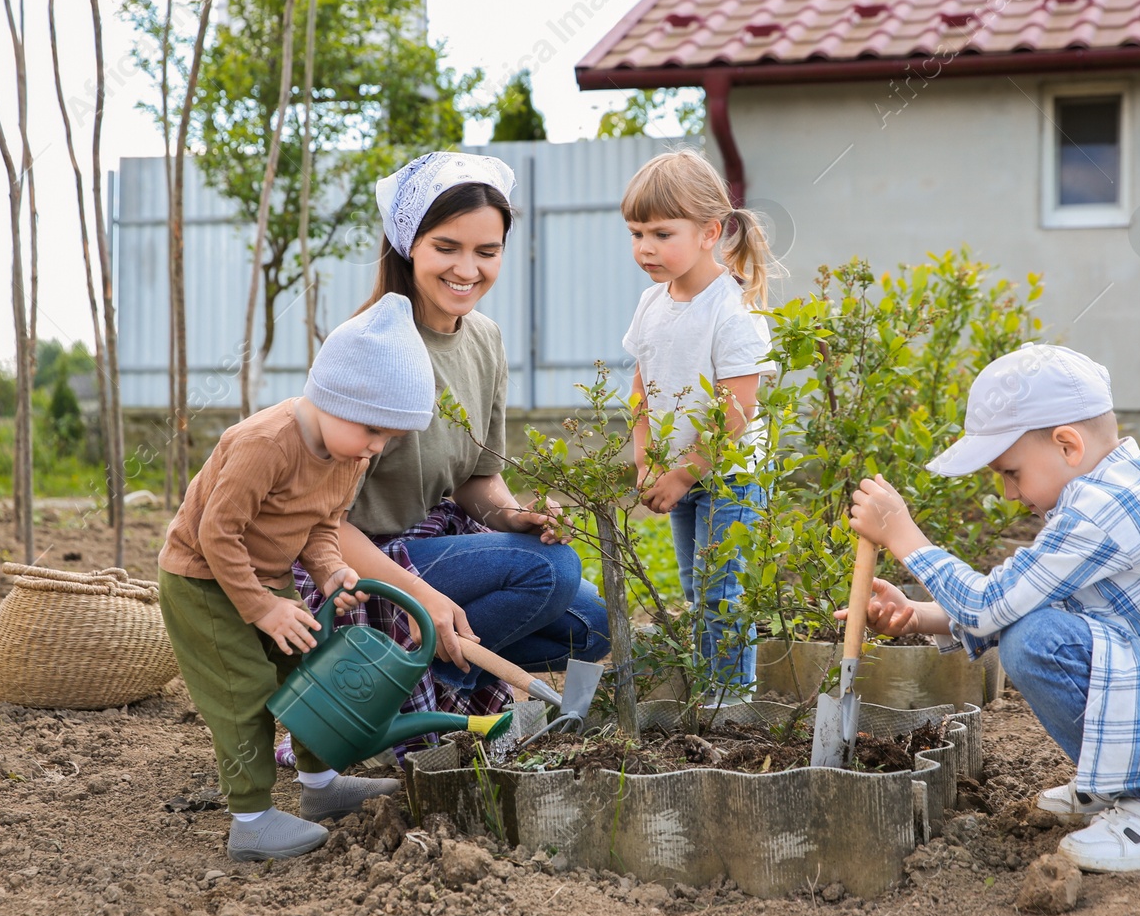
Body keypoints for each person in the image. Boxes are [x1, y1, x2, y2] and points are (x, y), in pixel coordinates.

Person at [844, 343, 1140, 873]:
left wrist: (903, 536)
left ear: (1068, 445)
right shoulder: (1116, 487)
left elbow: (991, 608)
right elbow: (1020, 599)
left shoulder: (1104, 508)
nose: (1008, 494)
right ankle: (1127, 780)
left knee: (1033, 642)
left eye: (1010, 472)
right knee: (1035, 626)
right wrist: (919, 615)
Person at [285, 151, 610, 729]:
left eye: (487, 252)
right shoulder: (371, 347)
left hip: (433, 539)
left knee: (592, 623)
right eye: (447, 248)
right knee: (551, 573)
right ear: (409, 245)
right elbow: (322, 523)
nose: (468, 269)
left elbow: (475, 477)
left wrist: (514, 517)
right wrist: (424, 599)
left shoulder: (485, 338)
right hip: (353, 563)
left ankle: (425, 674)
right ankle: (399, 685)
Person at [156, 293, 435, 862]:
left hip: (268, 579)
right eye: (373, 431)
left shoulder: (349, 456)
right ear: (336, 398)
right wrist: (262, 609)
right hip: (204, 582)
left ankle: (319, 787)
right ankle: (251, 821)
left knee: (308, 670)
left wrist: (331, 569)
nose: (377, 448)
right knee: (247, 697)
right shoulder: (266, 444)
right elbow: (217, 534)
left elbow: (321, 525)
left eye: (391, 439)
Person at [619, 149, 775, 703]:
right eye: (637, 233)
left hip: (729, 474)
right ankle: (712, 693)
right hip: (676, 472)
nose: (645, 248)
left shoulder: (730, 310)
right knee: (695, 590)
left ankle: (732, 704)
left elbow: (738, 410)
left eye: (662, 233)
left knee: (722, 594)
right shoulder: (649, 303)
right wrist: (646, 458)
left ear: (711, 232)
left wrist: (685, 473)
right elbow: (641, 387)